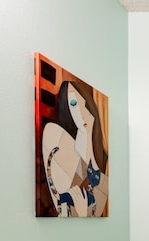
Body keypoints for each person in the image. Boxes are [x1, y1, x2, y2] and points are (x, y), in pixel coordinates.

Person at [41, 80, 108, 217]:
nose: (81, 110)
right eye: (73, 104)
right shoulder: (68, 146)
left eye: (82, 101)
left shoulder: (101, 149)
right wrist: (82, 211)